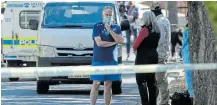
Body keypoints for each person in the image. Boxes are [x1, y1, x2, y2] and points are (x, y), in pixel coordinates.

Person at [90, 6, 124, 105]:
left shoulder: (116, 27)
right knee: (96, 84)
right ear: (102, 15)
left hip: (111, 61)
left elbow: (121, 40)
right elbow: (99, 43)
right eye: (106, 15)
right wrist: (113, 43)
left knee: (108, 85)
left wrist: (110, 30)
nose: (108, 17)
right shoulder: (97, 27)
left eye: (110, 15)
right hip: (99, 59)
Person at [133, 11, 160, 105]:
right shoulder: (157, 30)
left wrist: (134, 49)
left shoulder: (144, 30)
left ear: (146, 19)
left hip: (143, 58)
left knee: (141, 82)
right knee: (152, 82)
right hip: (154, 56)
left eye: (143, 18)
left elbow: (135, 44)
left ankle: (145, 103)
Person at [150, 1, 171, 105]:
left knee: (160, 82)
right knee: (161, 80)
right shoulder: (166, 20)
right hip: (165, 54)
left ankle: (164, 102)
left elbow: (160, 39)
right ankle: (162, 101)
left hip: (158, 54)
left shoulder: (158, 22)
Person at [182, 12, 194, 100]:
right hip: (186, 54)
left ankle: (191, 95)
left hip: (188, 55)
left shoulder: (189, 29)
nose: (186, 18)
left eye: (187, 16)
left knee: (189, 76)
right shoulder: (187, 28)